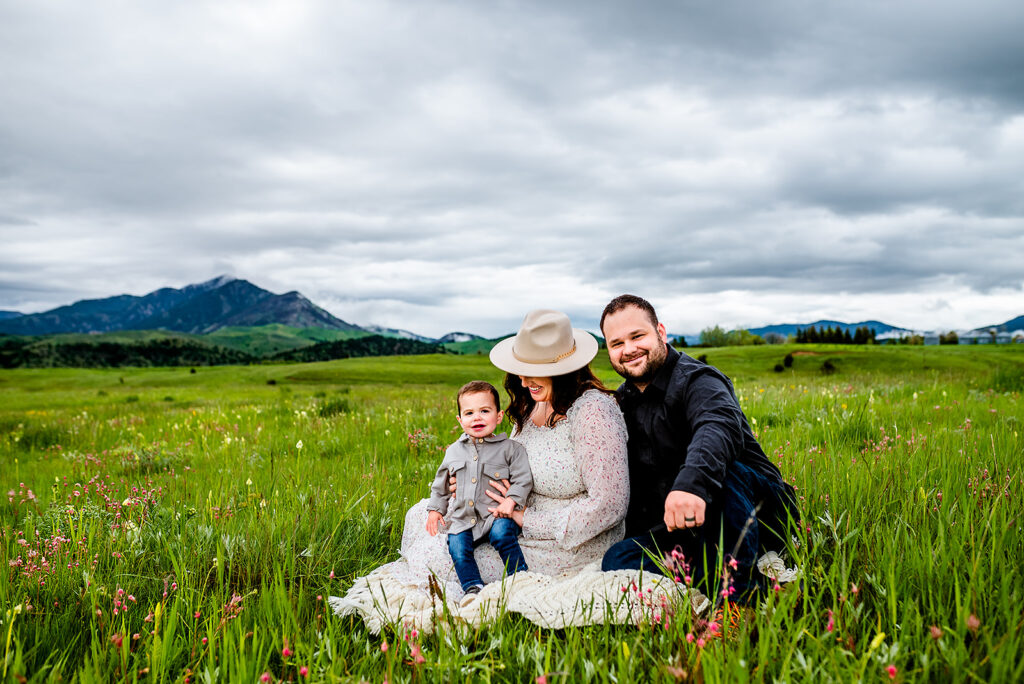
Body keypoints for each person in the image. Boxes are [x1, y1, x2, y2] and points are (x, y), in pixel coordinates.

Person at [339, 309, 629, 607]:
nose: (523, 378)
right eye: (521, 367)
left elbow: (609, 505)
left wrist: (524, 516)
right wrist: (464, 482)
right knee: (420, 515)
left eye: (534, 368)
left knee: (433, 556)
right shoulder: (532, 407)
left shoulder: (594, 411)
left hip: (566, 542)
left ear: (565, 367)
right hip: (505, 514)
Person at [599, 294, 799, 604]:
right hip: (690, 526)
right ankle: (740, 581)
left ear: (660, 332)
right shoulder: (622, 402)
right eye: (616, 343)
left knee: (728, 472)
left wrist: (691, 485)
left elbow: (717, 426)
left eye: (638, 336)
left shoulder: (700, 380)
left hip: (754, 509)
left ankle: (738, 600)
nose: (629, 350)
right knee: (617, 559)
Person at [425, 380, 533, 605]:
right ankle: (472, 586)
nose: (477, 418)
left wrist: (511, 501)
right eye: (469, 413)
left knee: (503, 534)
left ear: (499, 416)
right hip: (464, 518)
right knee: (456, 545)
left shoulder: (511, 449)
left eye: (485, 411)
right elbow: (441, 485)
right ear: (460, 420)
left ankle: (520, 576)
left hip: (496, 515)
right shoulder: (453, 451)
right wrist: (435, 510)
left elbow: (523, 479)